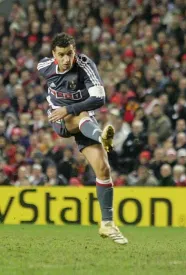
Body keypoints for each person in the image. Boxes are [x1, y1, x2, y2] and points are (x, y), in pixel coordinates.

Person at [37, 33, 128, 244]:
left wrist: (69, 107)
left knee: (103, 169)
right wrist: (63, 108)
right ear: (54, 55)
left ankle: (107, 224)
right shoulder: (44, 67)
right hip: (60, 120)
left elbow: (100, 98)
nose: (67, 59)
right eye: (62, 55)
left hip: (83, 123)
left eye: (70, 53)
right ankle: (101, 135)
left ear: (75, 50)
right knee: (81, 116)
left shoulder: (85, 66)